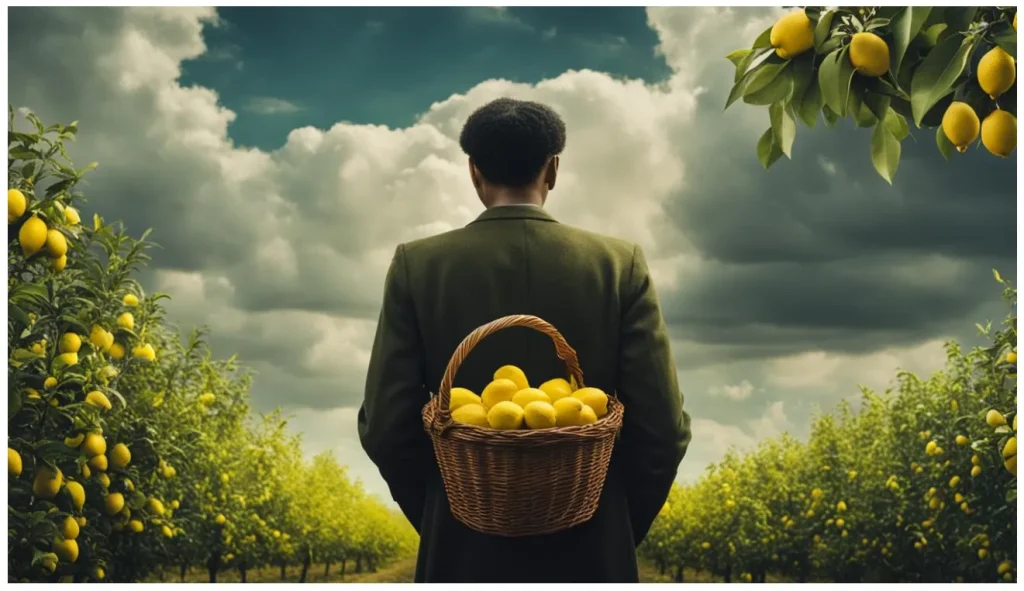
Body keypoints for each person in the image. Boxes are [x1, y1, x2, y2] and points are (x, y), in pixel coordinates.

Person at [358, 97, 691, 583]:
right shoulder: (619, 264)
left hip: (461, 555)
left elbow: (387, 427)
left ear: (474, 172)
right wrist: (614, 524)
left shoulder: (418, 264)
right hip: (593, 555)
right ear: (552, 169)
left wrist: (444, 512)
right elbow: (663, 427)